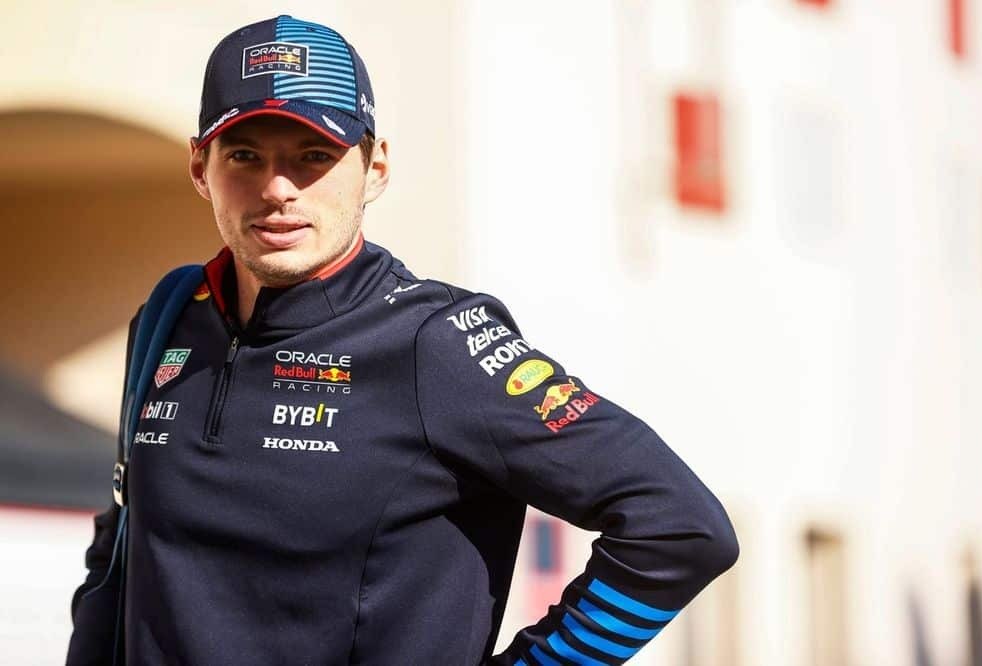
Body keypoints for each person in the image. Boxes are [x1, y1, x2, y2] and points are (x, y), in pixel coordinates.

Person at [67, 14, 738, 666]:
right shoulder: (171, 313)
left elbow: (681, 527)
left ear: (375, 167)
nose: (277, 188)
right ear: (200, 167)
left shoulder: (435, 341)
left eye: (314, 156)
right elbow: (122, 548)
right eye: (245, 155)